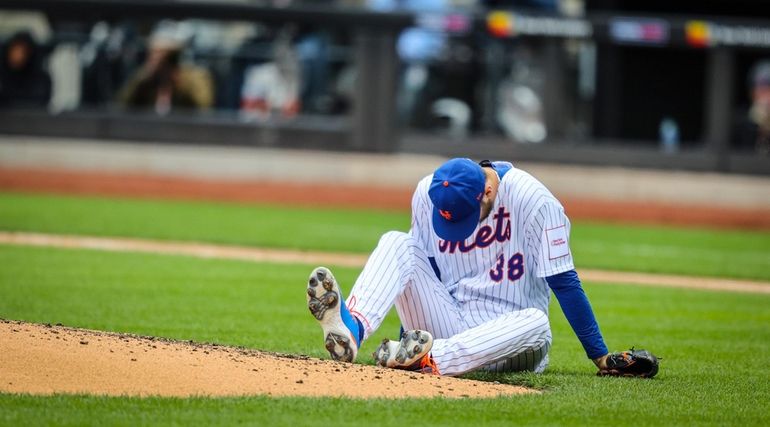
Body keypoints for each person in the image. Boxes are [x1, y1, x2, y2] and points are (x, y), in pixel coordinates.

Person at [307, 158, 658, 377]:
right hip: (450, 321)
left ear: (487, 191)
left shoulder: (534, 201)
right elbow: (419, 272)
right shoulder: (428, 193)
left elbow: (564, 281)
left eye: (463, 218)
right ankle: (353, 328)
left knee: (538, 321)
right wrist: (407, 335)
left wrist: (601, 356)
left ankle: (429, 359)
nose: (457, 228)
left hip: (512, 338)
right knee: (398, 242)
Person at [118, 22, 213, 115]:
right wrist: (144, 77)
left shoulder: (196, 76)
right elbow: (122, 105)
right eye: (152, 52)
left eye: (160, 54)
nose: (154, 57)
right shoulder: (147, 79)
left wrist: (179, 82)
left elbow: (203, 107)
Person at [0, 31, 51, 108]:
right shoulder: (3, 76)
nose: (17, 55)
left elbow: (39, 104)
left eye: (22, 52)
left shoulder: (41, 79)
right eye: (14, 50)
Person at [733, 60, 770, 155]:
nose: (765, 92)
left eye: (768, 87)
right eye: (761, 86)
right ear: (751, 91)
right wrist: (755, 122)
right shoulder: (739, 119)